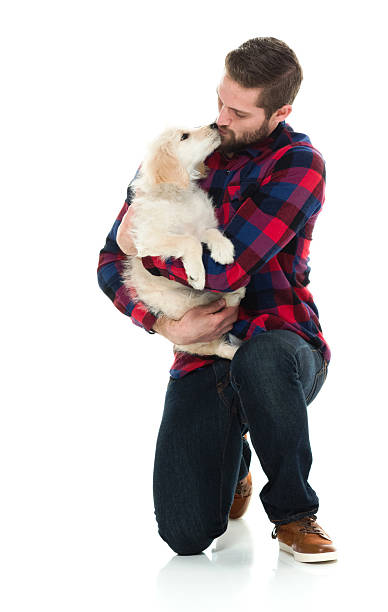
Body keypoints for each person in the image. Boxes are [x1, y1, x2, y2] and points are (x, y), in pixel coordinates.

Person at [97, 37, 337, 562]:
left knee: (264, 356)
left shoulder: (298, 165)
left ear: (281, 111)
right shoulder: (179, 156)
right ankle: (238, 459)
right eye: (220, 101)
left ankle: (295, 514)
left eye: (239, 111)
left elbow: (226, 269)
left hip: (282, 346)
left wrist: (144, 247)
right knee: (185, 534)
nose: (221, 118)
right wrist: (160, 326)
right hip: (202, 352)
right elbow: (109, 263)